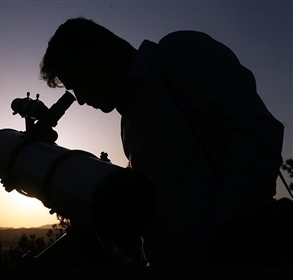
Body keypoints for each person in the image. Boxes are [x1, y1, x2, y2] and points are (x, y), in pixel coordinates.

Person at [39, 17, 285, 268]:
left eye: (79, 81)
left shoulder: (179, 53)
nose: (80, 99)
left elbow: (256, 131)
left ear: (100, 55)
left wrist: (232, 226)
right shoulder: (129, 122)